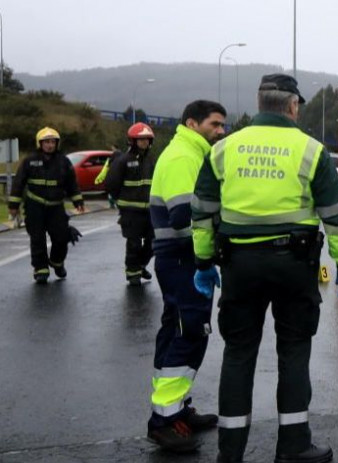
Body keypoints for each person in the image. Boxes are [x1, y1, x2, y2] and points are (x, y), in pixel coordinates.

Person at [192, 74, 338, 463]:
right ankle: (294, 446)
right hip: (293, 265)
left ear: (260, 102)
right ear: (293, 106)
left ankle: (230, 453)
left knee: (238, 353)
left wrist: (203, 263)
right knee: (295, 352)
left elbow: (201, 212)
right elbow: (335, 215)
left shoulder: (223, 149)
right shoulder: (310, 150)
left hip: (238, 265)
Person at [146, 100, 227, 452]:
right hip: (181, 259)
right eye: (215, 124)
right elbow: (182, 213)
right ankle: (163, 421)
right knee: (189, 331)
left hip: (181, 259)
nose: (220, 131)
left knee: (179, 329)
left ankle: (177, 408)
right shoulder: (183, 156)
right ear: (192, 123)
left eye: (222, 125)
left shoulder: (191, 152)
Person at [9, 127, 84, 283]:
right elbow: (18, 183)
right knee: (37, 239)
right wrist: (14, 205)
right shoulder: (29, 161)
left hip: (56, 206)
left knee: (62, 237)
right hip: (34, 206)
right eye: (47, 142)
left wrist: (78, 201)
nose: (50, 145)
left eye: (52, 142)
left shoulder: (63, 161)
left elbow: (72, 183)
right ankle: (40, 268)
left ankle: (57, 262)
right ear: (40, 143)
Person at [105, 123, 156, 285]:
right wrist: (120, 202)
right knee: (133, 243)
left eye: (147, 139)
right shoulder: (123, 161)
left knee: (153, 243)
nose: (144, 142)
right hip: (130, 211)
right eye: (140, 140)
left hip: (150, 211)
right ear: (132, 141)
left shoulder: (151, 161)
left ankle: (141, 265)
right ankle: (133, 273)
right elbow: (112, 184)